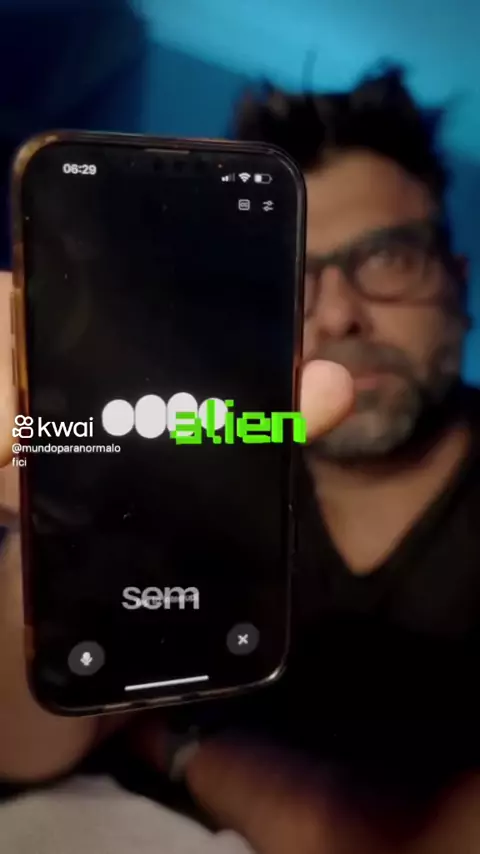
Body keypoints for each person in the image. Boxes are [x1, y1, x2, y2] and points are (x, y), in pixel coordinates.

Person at [1, 62, 480, 851]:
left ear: (458, 285)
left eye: (388, 258)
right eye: (293, 274)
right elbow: (27, 747)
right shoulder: (200, 455)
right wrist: (45, 505)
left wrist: (176, 743)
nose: (337, 315)